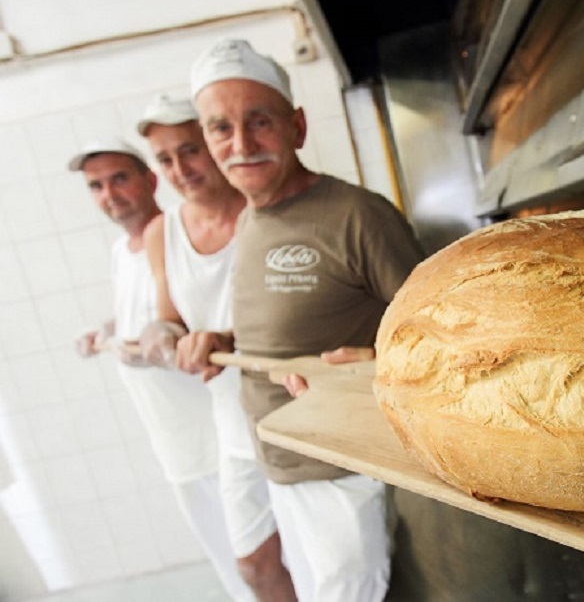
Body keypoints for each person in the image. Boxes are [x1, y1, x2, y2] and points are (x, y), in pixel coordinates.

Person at [179, 38, 428, 602]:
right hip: (278, 456)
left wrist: (375, 361)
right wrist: (223, 339)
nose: (241, 144)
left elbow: (441, 335)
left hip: (341, 471)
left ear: (297, 127)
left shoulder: (357, 217)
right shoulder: (251, 220)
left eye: (259, 121)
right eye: (221, 128)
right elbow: (292, 323)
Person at [69, 139, 256, 602]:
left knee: (255, 556)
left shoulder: (176, 238)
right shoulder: (121, 251)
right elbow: (140, 311)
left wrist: (143, 348)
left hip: (212, 428)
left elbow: (179, 325)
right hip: (170, 436)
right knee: (225, 557)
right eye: (96, 186)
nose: (109, 194)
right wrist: (107, 331)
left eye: (119, 178)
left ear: (150, 180)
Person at [134, 94, 297, 601]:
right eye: (165, 159)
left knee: (319, 558)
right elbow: (168, 320)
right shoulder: (163, 232)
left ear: (214, 142)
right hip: (233, 422)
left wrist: (226, 337)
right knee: (253, 564)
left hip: (297, 413)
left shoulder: (267, 213)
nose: (180, 169)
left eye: (190, 149)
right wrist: (161, 343)